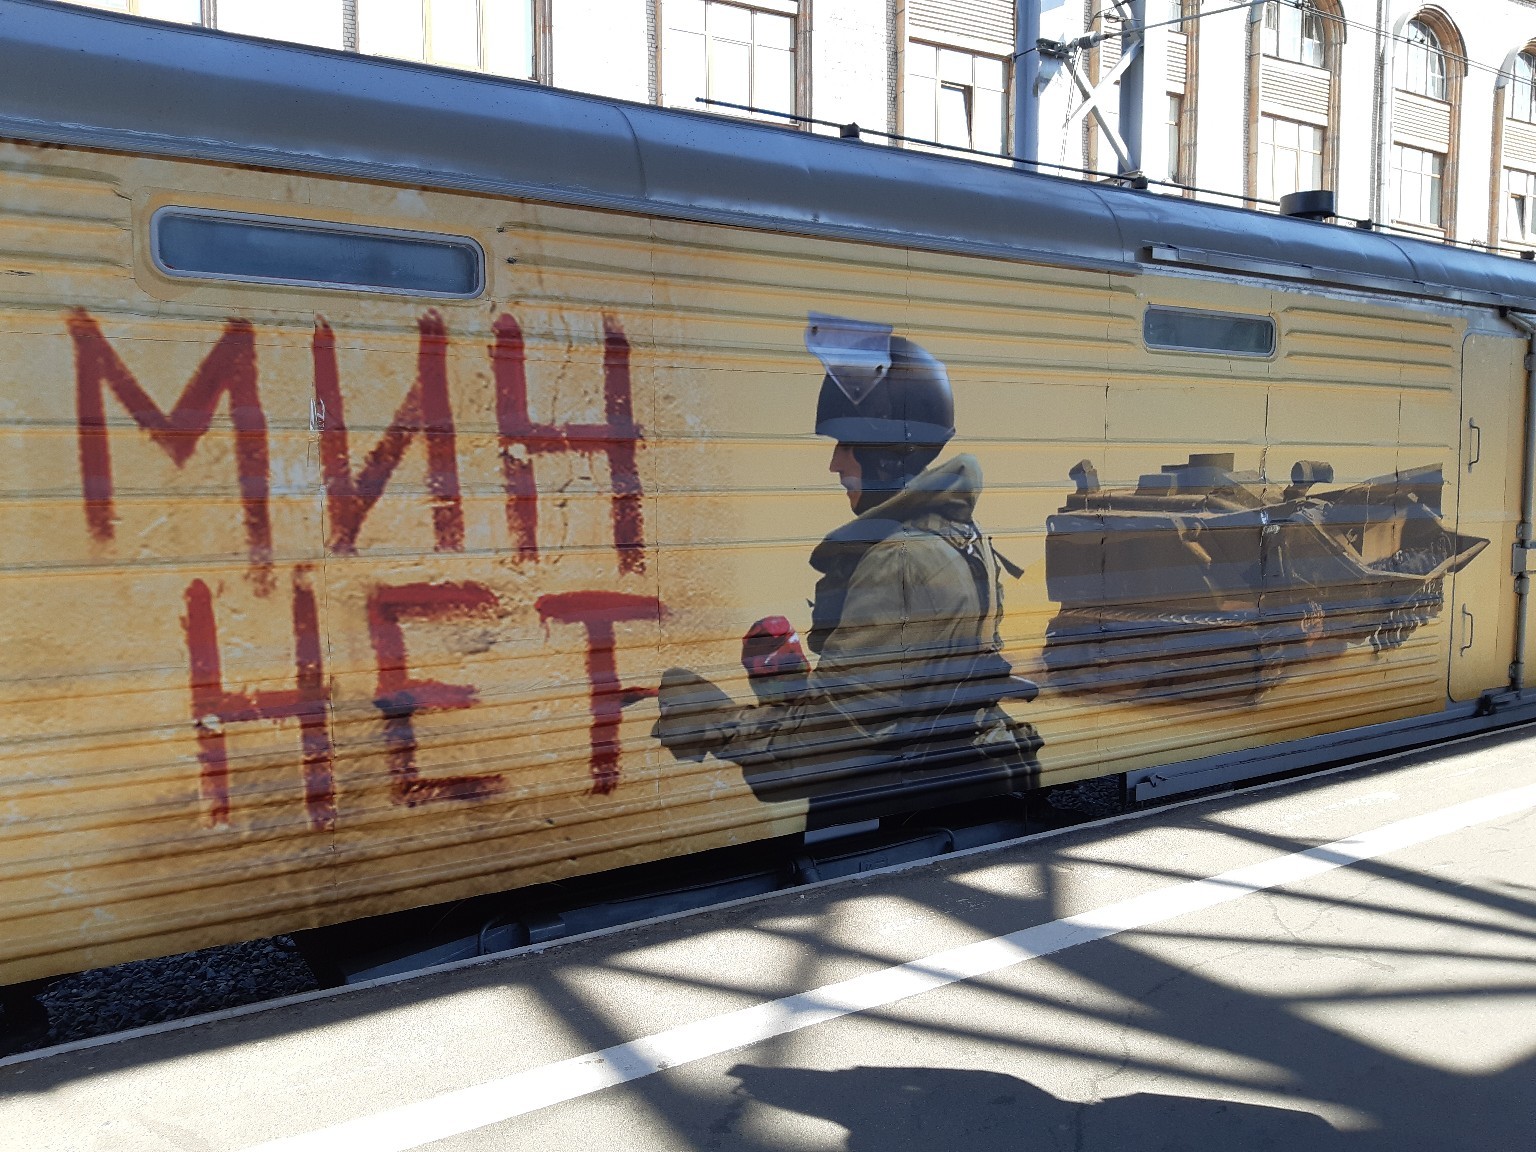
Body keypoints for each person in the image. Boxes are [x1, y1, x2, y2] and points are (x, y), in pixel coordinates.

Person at [655, 313, 1040, 811]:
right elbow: (911, 692)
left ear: (885, 453)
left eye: (847, 445)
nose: (835, 463)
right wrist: (789, 687)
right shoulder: (961, 538)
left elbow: (826, 747)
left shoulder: (898, 561)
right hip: (963, 783)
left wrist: (713, 720)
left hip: (903, 806)